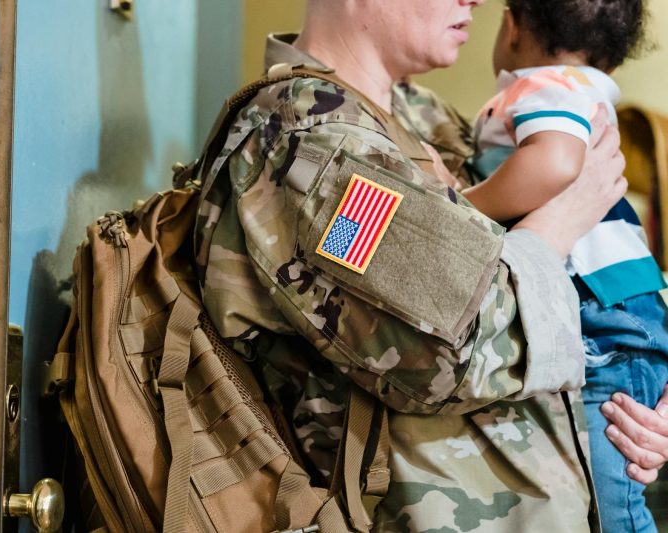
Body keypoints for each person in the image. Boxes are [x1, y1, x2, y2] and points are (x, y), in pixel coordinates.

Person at [194, 0, 668, 530]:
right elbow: (451, 354)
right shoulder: (310, 144)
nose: (477, 1)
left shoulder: (424, 117)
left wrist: (645, 390)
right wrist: (561, 219)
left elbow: (579, 293)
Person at [426, 1, 668, 531]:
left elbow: (556, 164)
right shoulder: (585, 91)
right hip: (622, 308)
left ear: (513, 27)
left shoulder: (541, 85)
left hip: (602, 319)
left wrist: (462, 208)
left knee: (613, 508)